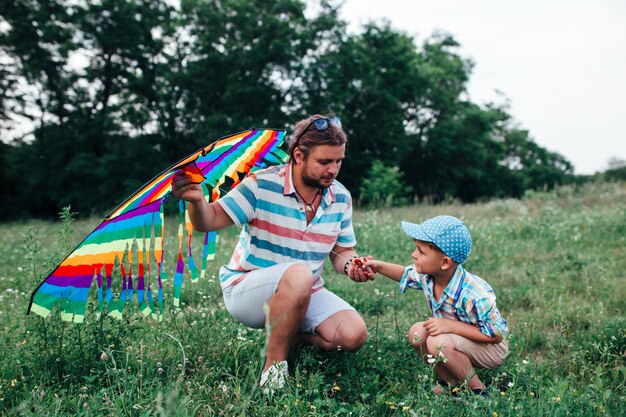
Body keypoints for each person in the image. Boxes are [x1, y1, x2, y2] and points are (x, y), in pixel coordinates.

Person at [172, 115, 375, 393]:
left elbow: (342, 251)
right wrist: (196, 201)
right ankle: (274, 371)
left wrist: (352, 264)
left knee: (352, 334)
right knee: (299, 274)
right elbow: (209, 220)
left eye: (338, 161)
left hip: (305, 290)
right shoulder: (261, 185)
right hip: (248, 289)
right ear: (299, 156)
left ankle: (291, 336)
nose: (333, 169)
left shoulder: (340, 197)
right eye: (325, 162)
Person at [361, 215, 508, 395]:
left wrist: (450, 325)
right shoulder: (428, 277)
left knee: (438, 342)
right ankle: (451, 382)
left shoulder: (473, 295)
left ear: (445, 262)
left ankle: (478, 391)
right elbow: (405, 274)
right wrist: (377, 265)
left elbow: (495, 335)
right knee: (418, 333)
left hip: (490, 348)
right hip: (457, 340)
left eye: (420, 251)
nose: (413, 255)